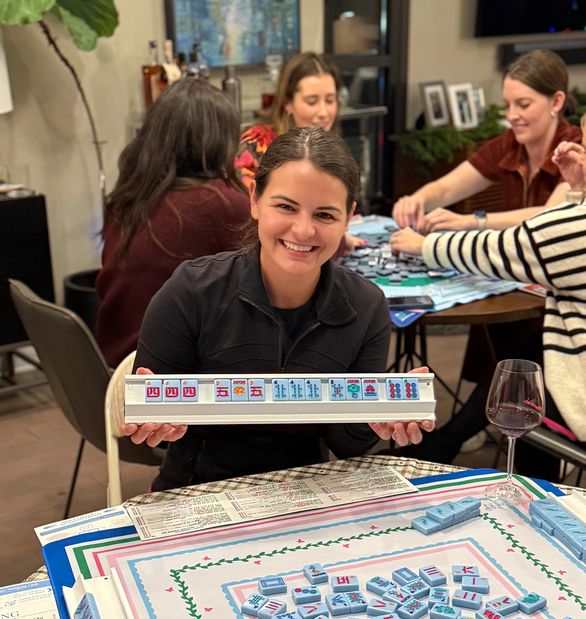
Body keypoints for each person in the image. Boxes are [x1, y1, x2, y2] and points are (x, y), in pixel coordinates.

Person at [124, 128, 434, 490]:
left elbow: (348, 444)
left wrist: (379, 418)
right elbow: (152, 421)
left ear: (349, 217)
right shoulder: (191, 291)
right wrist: (152, 422)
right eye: (286, 207)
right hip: (197, 486)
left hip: (308, 488)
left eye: (325, 215)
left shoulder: (366, 306)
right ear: (255, 199)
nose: (303, 231)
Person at [390, 103, 586, 479]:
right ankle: (449, 442)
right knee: (523, 358)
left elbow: (503, 249)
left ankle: (535, 493)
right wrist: (578, 189)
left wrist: (423, 246)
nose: (582, 157)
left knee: (520, 390)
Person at [96, 78, 249, 368]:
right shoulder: (220, 203)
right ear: (219, 142)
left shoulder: (127, 198)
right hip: (165, 376)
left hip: (117, 366)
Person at [392, 49, 581, 234]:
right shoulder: (510, 143)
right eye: (507, 105)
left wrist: (472, 221)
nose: (511, 115)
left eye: (523, 105)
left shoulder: (578, 147)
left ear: (556, 102)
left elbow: (550, 217)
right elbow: (446, 188)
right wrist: (417, 200)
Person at [235, 52, 340, 189]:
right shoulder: (256, 145)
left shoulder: (335, 153)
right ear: (288, 103)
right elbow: (242, 197)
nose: (323, 113)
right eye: (312, 102)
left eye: (330, 100)